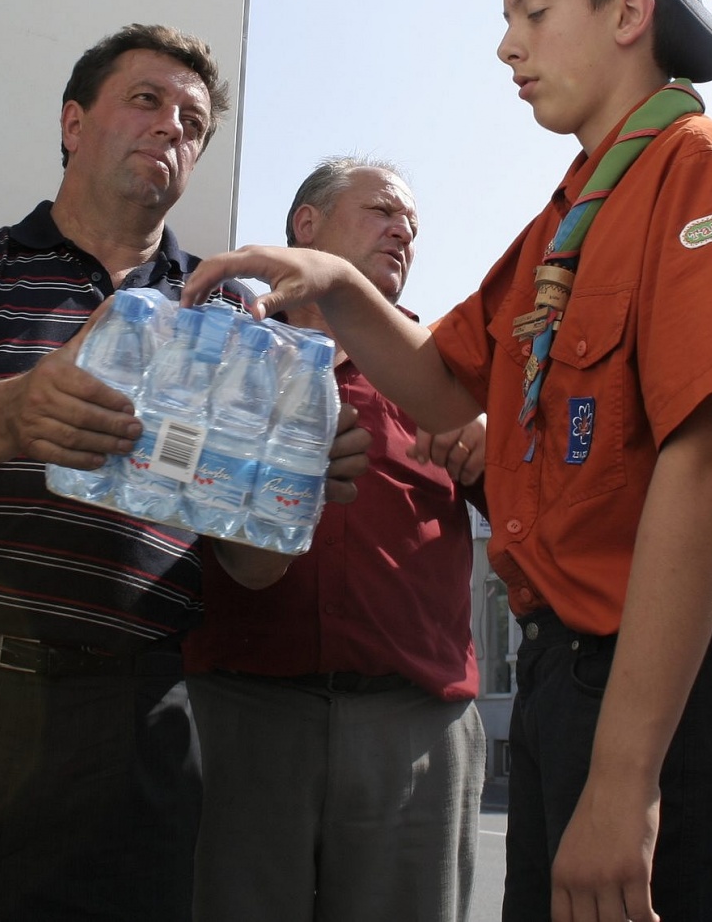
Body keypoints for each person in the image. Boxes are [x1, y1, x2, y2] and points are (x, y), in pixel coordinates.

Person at [184, 0, 712, 922]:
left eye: (533, 11)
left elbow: (710, 463)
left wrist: (625, 777)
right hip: (571, 677)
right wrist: (337, 285)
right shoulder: (564, 224)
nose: (506, 45)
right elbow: (446, 386)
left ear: (630, 12)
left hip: (678, 691)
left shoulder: (706, 165)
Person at [0, 24, 366, 922]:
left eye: (193, 122)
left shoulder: (234, 316)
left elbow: (252, 566)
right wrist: (13, 409)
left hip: (128, 722)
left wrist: (288, 483)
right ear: (74, 122)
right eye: (146, 100)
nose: (171, 126)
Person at [185, 157, 488, 922]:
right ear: (306, 228)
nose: (402, 232)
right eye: (383, 211)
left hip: (413, 726)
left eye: (412, 227)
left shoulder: (453, 370)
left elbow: (537, 512)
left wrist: (493, 437)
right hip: (242, 714)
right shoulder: (225, 350)